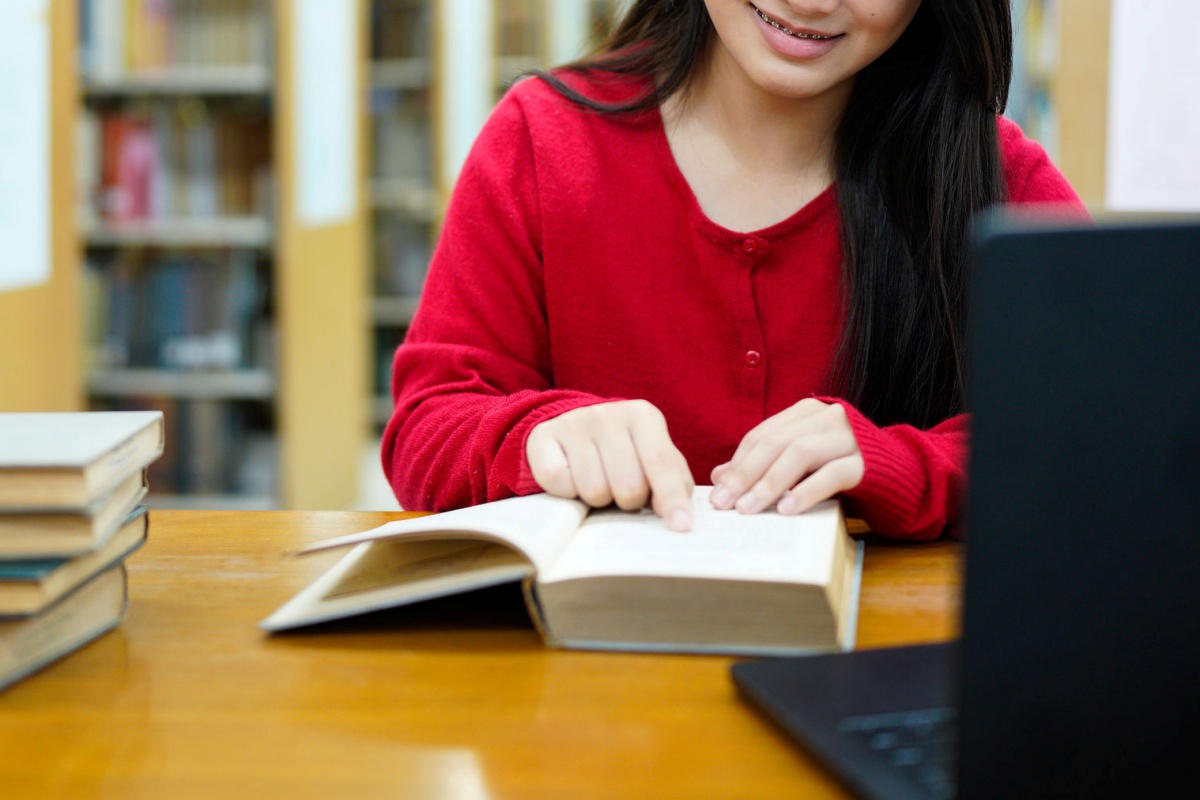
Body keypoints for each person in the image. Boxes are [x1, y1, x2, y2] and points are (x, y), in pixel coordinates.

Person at [381, 0, 1083, 539]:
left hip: (887, 663)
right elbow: (427, 423)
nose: (810, 3)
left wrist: (907, 465)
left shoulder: (995, 180)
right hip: (592, 667)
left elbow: (1102, 434)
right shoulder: (542, 141)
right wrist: (539, 437)